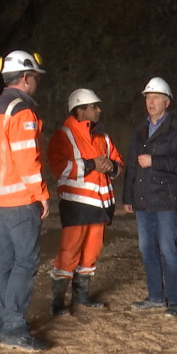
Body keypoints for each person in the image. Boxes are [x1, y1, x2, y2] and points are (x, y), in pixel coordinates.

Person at [0, 50, 50, 352]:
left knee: (4, 261)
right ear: (26, 77)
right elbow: (27, 160)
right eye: (35, 78)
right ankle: (14, 329)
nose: (36, 83)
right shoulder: (21, 112)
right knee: (26, 261)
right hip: (19, 199)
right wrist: (42, 195)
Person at [47, 88, 124, 315]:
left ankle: (81, 297)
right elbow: (61, 168)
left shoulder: (103, 137)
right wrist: (92, 165)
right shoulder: (64, 135)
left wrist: (113, 167)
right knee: (69, 252)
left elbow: (118, 162)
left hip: (100, 205)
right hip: (77, 205)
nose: (98, 110)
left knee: (92, 252)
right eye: (93, 106)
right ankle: (58, 302)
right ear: (80, 110)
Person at [123, 77, 177, 318]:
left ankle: (175, 300)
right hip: (143, 200)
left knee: (167, 249)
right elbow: (131, 166)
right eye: (147, 98)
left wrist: (155, 161)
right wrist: (127, 196)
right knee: (147, 249)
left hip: (166, 199)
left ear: (167, 102)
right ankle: (155, 297)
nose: (150, 102)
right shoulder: (139, 131)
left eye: (155, 98)